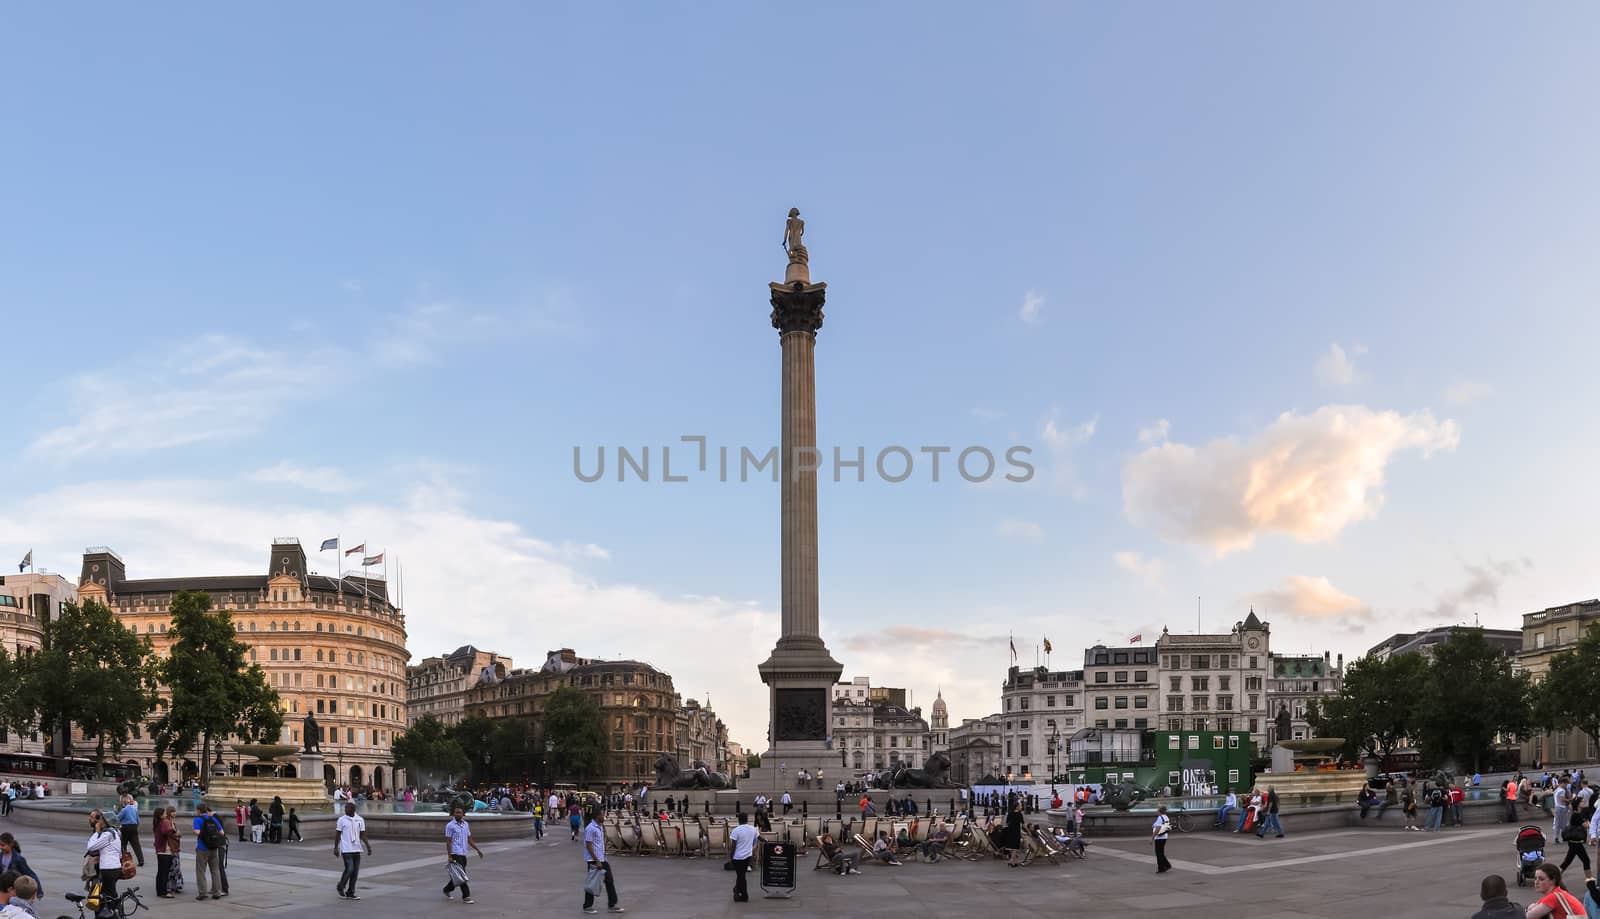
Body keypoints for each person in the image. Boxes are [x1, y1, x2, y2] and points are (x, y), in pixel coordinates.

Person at [582, 807, 623, 914]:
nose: (603, 816)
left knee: (609, 880)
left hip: (602, 858)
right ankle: (587, 906)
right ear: (596, 816)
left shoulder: (599, 827)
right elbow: (588, 845)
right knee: (593, 882)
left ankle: (612, 904)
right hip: (594, 859)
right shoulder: (590, 828)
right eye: (601, 815)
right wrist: (596, 860)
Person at [443, 807, 483, 904]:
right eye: (456, 812)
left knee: (458, 875)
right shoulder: (450, 825)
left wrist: (477, 849)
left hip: (464, 853)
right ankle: (466, 896)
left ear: (463, 814)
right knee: (462, 875)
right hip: (455, 853)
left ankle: (447, 889)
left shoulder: (466, 824)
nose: (458, 814)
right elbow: (448, 842)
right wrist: (449, 856)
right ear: (453, 813)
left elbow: (469, 839)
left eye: (460, 813)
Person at [335, 802, 372, 900]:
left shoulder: (359, 820)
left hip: (356, 848)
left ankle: (350, 892)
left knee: (355, 872)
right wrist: (336, 848)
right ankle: (341, 886)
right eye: (345, 808)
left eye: (347, 808)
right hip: (346, 848)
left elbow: (363, 834)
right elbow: (338, 834)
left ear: (353, 809)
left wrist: (368, 846)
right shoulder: (341, 820)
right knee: (349, 868)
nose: (345, 810)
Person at [86, 810, 123, 906]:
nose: (99, 822)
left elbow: (91, 846)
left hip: (108, 869)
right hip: (114, 867)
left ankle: (110, 912)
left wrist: (97, 832)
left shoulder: (107, 834)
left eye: (101, 820)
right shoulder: (115, 832)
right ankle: (113, 910)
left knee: (105, 895)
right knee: (109, 892)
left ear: (106, 822)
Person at [192, 802, 228, 901]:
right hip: (214, 848)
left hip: (202, 848)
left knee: (200, 871)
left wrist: (201, 833)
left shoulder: (197, 819)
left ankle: (203, 893)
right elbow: (222, 832)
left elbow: (197, 832)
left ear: (199, 811)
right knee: (215, 870)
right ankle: (217, 892)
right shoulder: (213, 819)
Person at [728, 812, 758, 902]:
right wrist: (767, 840)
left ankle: (744, 896)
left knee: (741, 876)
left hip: (738, 857)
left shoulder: (736, 830)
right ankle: (737, 890)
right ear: (747, 819)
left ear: (739, 820)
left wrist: (731, 856)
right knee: (741, 875)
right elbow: (760, 838)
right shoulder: (752, 829)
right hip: (748, 856)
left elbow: (733, 846)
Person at [153, 806, 179, 899]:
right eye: (164, 813)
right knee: (164, 872)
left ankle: (159, 890)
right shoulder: (164, 822)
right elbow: (167, 831)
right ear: (160, 815)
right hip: (165, 851)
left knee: (160, 872)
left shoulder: (157, 823)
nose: (165, 814)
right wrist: (174, 830)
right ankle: (163, 892)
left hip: (159, 850)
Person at [116, 794, 144, 868]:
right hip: (134, 827)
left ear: (124, 803)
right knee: (136, 845)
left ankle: (123, 859)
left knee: (123, 844)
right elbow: (138, 820)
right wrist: (136, 827)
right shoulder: (134, 809)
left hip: (125, 827)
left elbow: (118, 818)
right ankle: (141, 860)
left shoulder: (124, 810)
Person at [1003, 800, 1024, 867]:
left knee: (1012, 846)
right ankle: (1012, 861)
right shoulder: (1019, 814)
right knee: (1015, 847)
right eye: (1020, 806)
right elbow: (1023, 823)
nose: (1021, 807)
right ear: (1017, 807)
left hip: (1010, 831)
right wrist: (1028, 831)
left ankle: (1014, 861)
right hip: (1016, 831)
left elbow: (1007, 822)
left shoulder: (1010, 813)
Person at [1152, 805, 1172, 874]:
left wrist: (1152, 837)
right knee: (1161, 852)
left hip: (1159, 837)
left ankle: (1162, 868)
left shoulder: (1160, 818)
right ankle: (1166, 865)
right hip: (1164, 836)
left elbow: (1157, 828)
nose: (1156, 811)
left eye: (1157, 810)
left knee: (1158, 853)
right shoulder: (1166, 817)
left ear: (1159, 811)